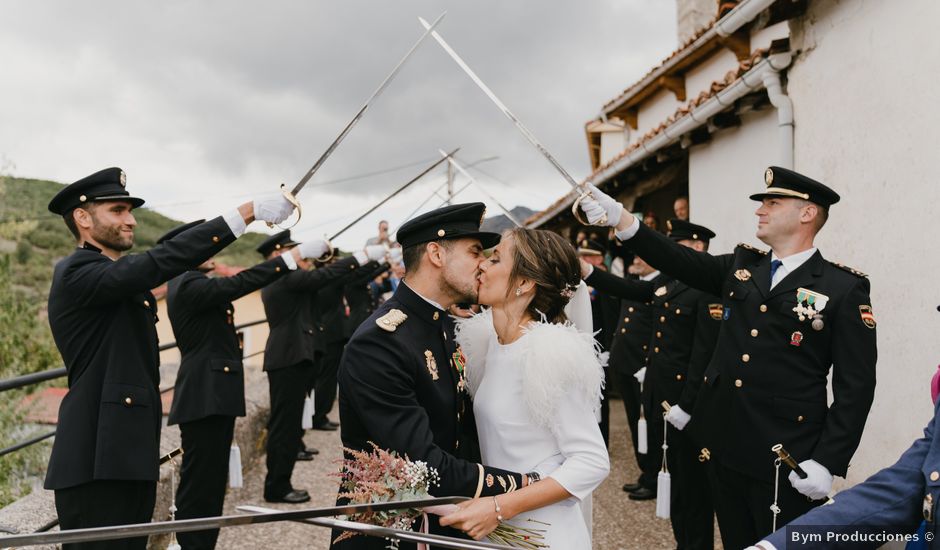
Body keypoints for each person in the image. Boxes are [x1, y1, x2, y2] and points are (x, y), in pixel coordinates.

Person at [578, 166, 878, 548]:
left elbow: (856, 385)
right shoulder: (740, 268)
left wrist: (827, 460)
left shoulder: (842, 288)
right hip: (725, 446)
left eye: (773, 202)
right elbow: (674, 258)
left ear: (807, 213)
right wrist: (622, 219)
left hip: (784, 458)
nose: (760, 210)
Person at [43, 166, 295, 549]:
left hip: (126, 451)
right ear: (82, 218)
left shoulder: (116, 277)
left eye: (131, 211)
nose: (130, 220)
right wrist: (246, 212)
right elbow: (157, 262)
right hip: (95, 457)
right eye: (117, 210)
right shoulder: (75, 271)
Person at [332, 203, 534, 550]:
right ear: (436, 254)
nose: (483, 263)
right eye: (474, 252)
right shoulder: (380, 342)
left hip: (446, 521)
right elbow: (422, 463)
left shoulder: (445, 325)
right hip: (391, 534)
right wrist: (529, 484)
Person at [439, 227, 610, 547]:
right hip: (498, 530)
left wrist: (499, 506)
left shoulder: (548, 354)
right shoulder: (488, 345)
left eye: (495, 259)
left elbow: (592, 461)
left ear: (523, 282)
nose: (482, 266)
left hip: (544, 533)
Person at [162, 220, 326, 549]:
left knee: (210, 482)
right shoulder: (188, 284)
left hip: (212, 394)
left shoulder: (191, 282)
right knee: (201, 484)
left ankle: (203, 543)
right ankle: (196, 545)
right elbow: (240, 283)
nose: (211, 250)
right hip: (204, 395)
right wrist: (289, 259)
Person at [585, 219, 722, 549]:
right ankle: (683, 542)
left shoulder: (708, 289)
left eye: (679, 247)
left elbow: (704, 356)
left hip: (690, 406)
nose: (671, 254)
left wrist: (687, 405)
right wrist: (587, 272)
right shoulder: (669, 283)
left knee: (693, 488)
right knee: (674, 481)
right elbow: (633, 291)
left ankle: (696, 544)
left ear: (698, 248)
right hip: (664, 400)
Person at [259, 230, 387, 503]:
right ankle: (277, 486)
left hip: (293, 355)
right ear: (276, 254)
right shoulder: (282, 276)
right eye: (293, 251)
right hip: (288, 356)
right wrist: (361, 256)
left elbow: (329, 279)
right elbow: (323, 276)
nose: (300, 257)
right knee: (284, 425)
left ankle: (280, 481)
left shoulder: (286, 277)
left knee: (289, 423)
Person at [586, 254, 666, 500]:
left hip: (643, 368)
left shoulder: (661, 287)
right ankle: (645, 472)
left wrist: (649, 364)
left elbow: (659, 330)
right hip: (625, 365)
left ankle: (654, 477)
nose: (637, 260)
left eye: (644, 257)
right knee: (634, 422)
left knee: (649, 426)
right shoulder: (635, 283)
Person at [578, 239, 619, 447]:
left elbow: (612, 318)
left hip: (601, 349)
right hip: (581, 349)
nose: (583, 260)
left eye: (588, 256)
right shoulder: (579, 283)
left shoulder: (608, 283)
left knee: (600, 399)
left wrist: (608, 348)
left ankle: (602, 441)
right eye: (582, 256)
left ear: (599, 259)